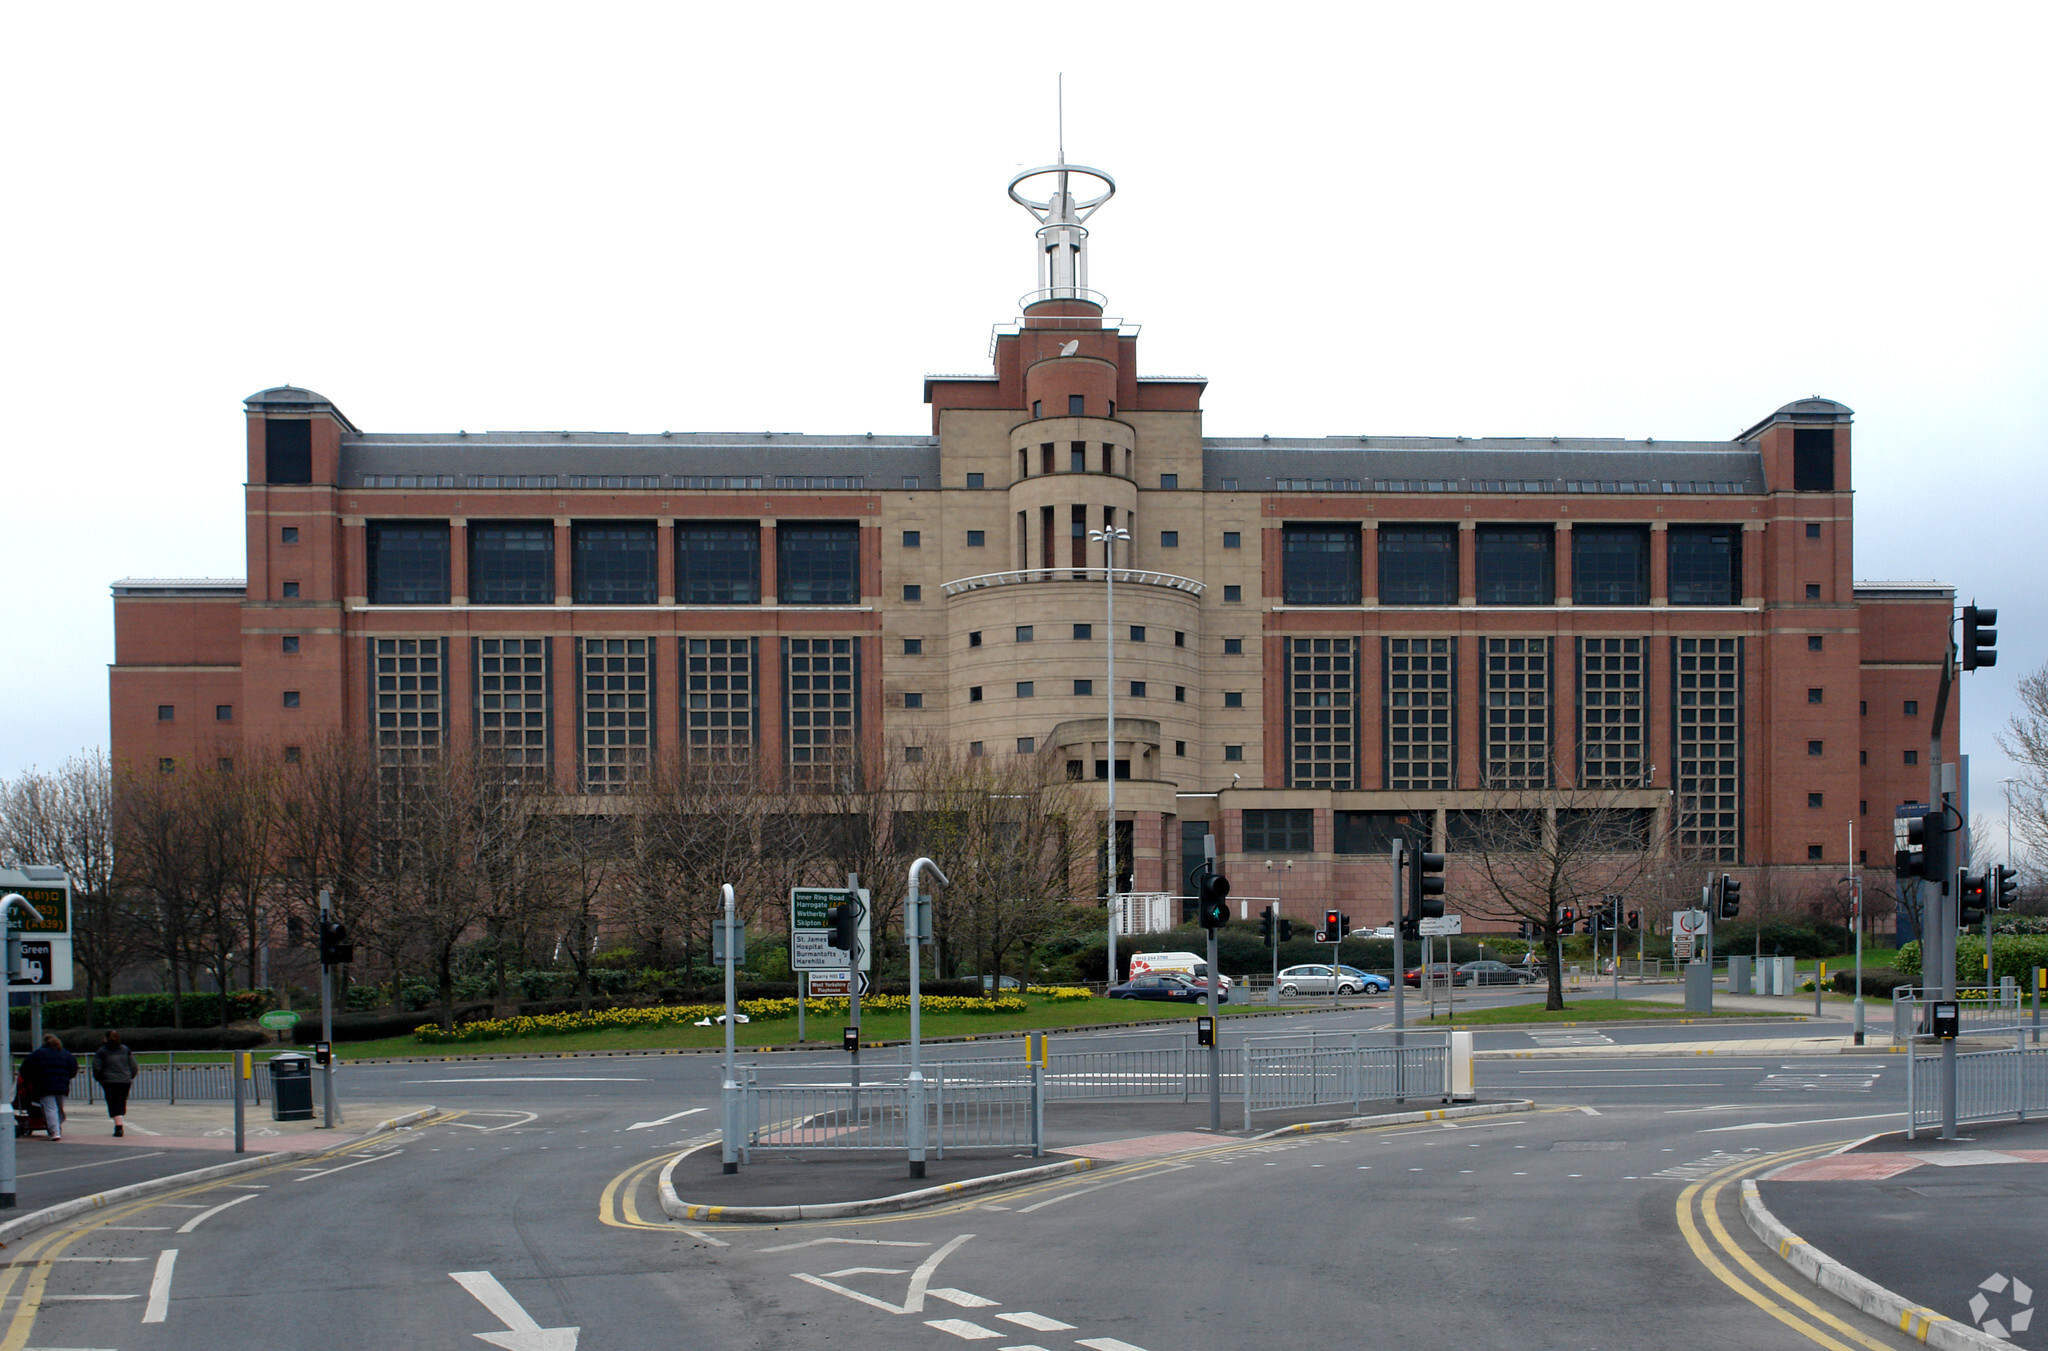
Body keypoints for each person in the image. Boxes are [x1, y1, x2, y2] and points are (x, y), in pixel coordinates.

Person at [21, 1034, 78, 1141]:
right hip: (61, 1085)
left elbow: (25, 1068)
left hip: (43, 1085)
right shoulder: (66, 1054)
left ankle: (54, 1131)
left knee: (50, 1108)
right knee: (59, 1108)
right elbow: (73, 1068)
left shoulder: (37, 1054)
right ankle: (58, 1124)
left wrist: (30, 1080)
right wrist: (66, 1077)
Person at [92, 1030, 138, 1137]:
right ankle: (119, 1121)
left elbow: (96, 1067)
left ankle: (118, 1126)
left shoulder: (102, 1051)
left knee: (112, 1102)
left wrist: (99, 1078)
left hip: (109, 1080)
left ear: (106, 1038)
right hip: (124, 1080)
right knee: (121, 1101)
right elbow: (133, 1065)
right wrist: (130, 1075)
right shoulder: (125, 1049)